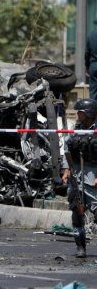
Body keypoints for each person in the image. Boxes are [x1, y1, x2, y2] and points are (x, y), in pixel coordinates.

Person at [61, 98, 97, 258]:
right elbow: (67, 148)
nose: (78, 115)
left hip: (93, 172)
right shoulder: (77, 128)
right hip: (76, 172)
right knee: (77, 212)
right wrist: (66, 169)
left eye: (81, 112)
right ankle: (80, 246)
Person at [85, 30, 97, 100]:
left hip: (94, 66)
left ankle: (93, 109)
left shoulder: (91, 35)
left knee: (93, 91)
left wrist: (87, 66)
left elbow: (87, 54)